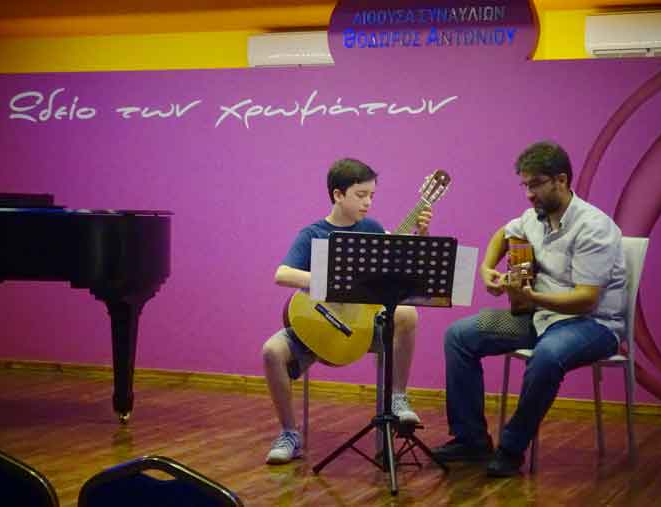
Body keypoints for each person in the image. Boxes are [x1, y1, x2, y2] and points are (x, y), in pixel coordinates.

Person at [431, 141, 627, 477]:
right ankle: (471, 440)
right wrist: (487, 269)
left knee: (548, 355)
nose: (528, 194)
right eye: (524, 185)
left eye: (535, 184)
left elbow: (586, 299)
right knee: (459, 335)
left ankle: (511, 448)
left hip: (592, 325)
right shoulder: (533, 217)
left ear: (561, 180)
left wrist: (530, 296)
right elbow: (503, 234)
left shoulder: (594, 227)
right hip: (540, 318)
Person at [262, 158, 432, 465]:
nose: (368, 202)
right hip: (320, 324)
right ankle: (289, 434)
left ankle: (398, 398)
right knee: (271, 351)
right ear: (338, 195)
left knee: (408, 314)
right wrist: (330, 280)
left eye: (372, 195)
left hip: (362, 328)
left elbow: (401, 267)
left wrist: (421, 235)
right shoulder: (312, 233)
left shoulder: (372, 229)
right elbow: (282, 274)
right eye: (361, 195)